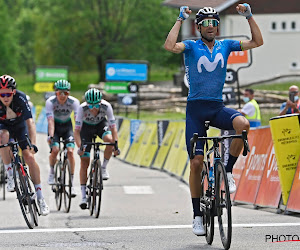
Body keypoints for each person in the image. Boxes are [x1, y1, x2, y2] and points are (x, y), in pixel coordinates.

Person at [164, 4, 263, 235]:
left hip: (217, 107)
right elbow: (170, 46)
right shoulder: (190, 46)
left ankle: (227, 171)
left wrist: (249, 16)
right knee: (197, 163)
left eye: (214, 23)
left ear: (218, 27)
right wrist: (180, 19)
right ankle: (197, 215)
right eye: (206, 23)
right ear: (199, 27)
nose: (211, 27)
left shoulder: (225, 45)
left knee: (243, 125)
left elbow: (257, 42)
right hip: (195, 111)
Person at [0, 75, 49, 215]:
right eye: (1, 94)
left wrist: (33, 144)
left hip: (21, 127)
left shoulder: (20, 98)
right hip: (4, 128)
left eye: (8, 93)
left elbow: (30, 123)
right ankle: (10, 176)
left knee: (29, 157)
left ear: (13, 92)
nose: (5, 97)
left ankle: (40, 199)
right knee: (3, 137)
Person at [74, 88, 120, 209]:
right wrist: (80, 147)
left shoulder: (106, 106)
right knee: (84, 161)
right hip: (86, 129)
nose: (93, 108)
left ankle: (104, 167)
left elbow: (113, 128)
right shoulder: (81, 108)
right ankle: (83, 196)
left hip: (100, 125)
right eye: (91, 105)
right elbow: (77, 131)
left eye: (96, 105)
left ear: (100, 102)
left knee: (109, 141)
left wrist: (115, 145)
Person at [45, 79, 80, 197]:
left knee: (70, 152)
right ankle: (51, 171)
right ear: (56, 93)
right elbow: (50, 121)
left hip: (67, 127)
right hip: (55, 127)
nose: (63, 95)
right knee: (55, 150)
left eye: (66, 93)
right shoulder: (50, 102)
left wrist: (79, 135)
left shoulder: (74, 102)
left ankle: (71, 182)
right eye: (60, 93)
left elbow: (77, 120)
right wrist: (50, 136)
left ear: (69, 93)